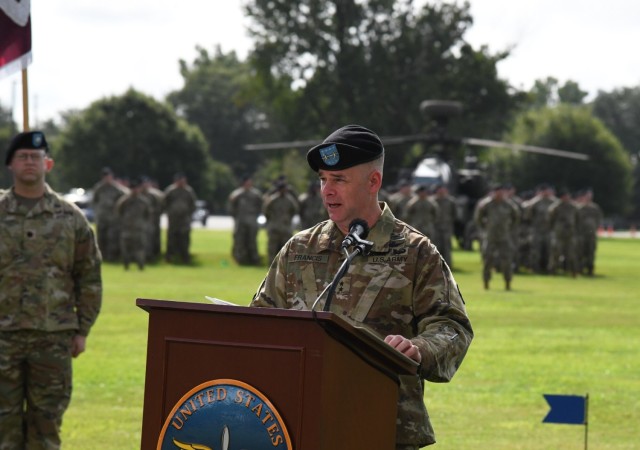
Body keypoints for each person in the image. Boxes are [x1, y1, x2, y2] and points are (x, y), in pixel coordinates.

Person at [250, 125, 473, 449]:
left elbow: (452, 327)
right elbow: (260, 320)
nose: (327, 191)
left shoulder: (415, 252)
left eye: (339, 180)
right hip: (298, 424)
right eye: (323, 179)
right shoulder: (299, 249)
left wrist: (420, 349)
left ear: (373, 182)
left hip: (382, 426)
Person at [0, 131, 102, 448]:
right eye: (23, 157)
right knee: (3, 427)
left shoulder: (70, 218)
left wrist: (82, 329)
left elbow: (88, 276)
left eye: (36, 156)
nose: (30, 162)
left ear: (49, 163)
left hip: (53, 338)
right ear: (10, 166)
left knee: (46, 427)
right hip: (3, 338)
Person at [474, 184, 519, 290]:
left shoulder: (509, 204)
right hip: (490, 237)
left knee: (507, 260)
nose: (500, 194)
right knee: (488, 259)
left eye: (502, 192)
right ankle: (486, 282)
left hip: (504, 236)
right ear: (494, 192)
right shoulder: (486, 204)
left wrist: (509, 229)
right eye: (498, 192)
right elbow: (478, 218)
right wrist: (484, 229)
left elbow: (516, 217)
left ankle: (508, 283)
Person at [91, 166, 129, 261]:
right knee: (101, 238)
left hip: (113, 218)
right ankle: (101, 257)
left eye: (108, 176)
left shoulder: (117, 189)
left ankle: (113, 257)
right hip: (102, 217)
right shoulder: (99, 188)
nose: (107, 178)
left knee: (112, 238)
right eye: (105, 176)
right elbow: (94, 201)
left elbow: (126, 198)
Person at [115, 177, 153, 270]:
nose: (134, 190)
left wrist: (143, 224)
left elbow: (148, 214)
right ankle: (126, 265)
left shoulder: (144, 202)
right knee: (125, 248)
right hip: (127, 228)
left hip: (139, 229)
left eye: (136, 188)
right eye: (132, 188)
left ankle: (141, 265)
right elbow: (118, 212)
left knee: (140, 248)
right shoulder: (124, 201)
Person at [228, 174, 263, 265]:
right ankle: (240, 259)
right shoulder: (237, 194)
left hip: (252, 219)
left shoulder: (256, 194)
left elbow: (261, 206)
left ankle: (254, 259)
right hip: (240, 220)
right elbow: (232, 206)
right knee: (239, 240)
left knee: (252, 240)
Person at [163, 172, 197, 263]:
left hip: (185, 219)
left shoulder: (189, 191)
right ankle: (169, 256)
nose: (181, 182)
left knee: (185, 238)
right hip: (173, 218)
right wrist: (169, 212)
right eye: (180, 181)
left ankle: (185, 257)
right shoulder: (170, 191)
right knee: (171, 237)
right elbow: (165, 202)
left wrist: (189, 214)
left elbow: (193, 204)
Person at [262, 178, 299, 263]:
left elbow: (294, 210)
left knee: (286, 249)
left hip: (285, 228)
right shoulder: (272, 199)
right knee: (272, 249)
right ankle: (271, 265)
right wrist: (271, 220)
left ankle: (284, 267)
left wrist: (287, 219)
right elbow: (266, 211)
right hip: (274, 228)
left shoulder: (290, 200)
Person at [576, 188, 603, 276]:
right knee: (580, 251)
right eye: (587, 196)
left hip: (591, 234)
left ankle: (590, 269)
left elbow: (598, 220)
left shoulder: (595, 208)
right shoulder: (578, 208)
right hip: (581, 234)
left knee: (591, 252)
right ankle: (579, 269)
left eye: (590, 196)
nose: (589, 198)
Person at [432, 183, 457, 268]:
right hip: (435, 227)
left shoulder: (451, 201)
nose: (442, 191)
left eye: (443, 189)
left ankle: (447, 266)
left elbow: (454, 214)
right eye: (440, 190)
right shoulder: (432, 201)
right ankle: (436, 265)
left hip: (447, 227)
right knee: (435, 246)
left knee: (447, 246)